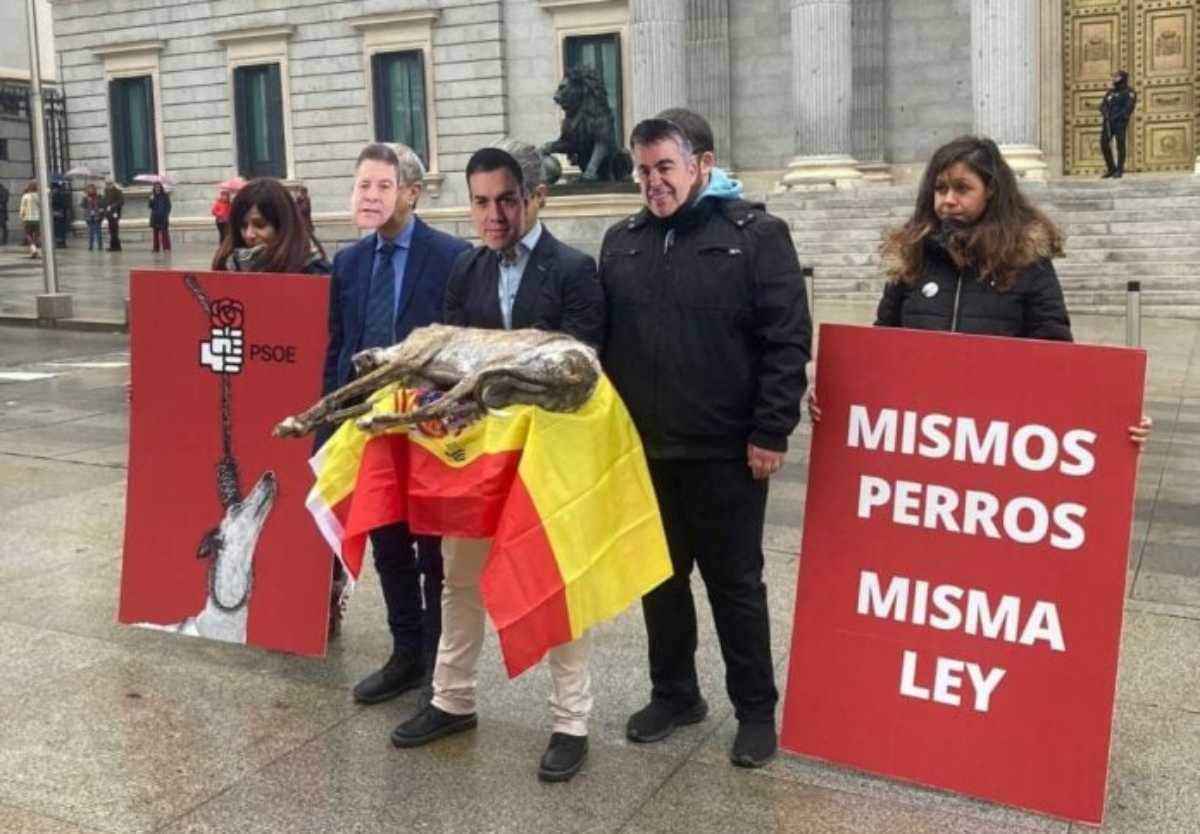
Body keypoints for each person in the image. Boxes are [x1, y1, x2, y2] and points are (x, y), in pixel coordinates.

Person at [599, 117, 811, 769]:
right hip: (648, 450)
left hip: (727, 452)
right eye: (642, 170)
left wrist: (770, 430)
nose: (652, 182)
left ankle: (754, 710)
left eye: (664, 166)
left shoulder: (756, 236)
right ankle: (675, 693)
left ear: (702, 163)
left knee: (735, 586)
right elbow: (605, 346)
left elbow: (787, 340)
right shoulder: (623, 241)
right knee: (660, 582)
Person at [391, 144, 604, 783]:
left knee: (557, 587)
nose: (492, 215)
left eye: (506, 200)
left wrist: (489, 377)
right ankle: (452, 700)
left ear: (535, 197)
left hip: (550, 459)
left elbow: (579, 367)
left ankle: (571, 722)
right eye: (481, 201)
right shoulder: (467, 271)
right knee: (459, 580)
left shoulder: (574, 270)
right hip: (478, 457)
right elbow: (451, 358)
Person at [807, 135, 1151, 445]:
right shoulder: (912, 257)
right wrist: (840, 399)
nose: (948, 200)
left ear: (990, 191)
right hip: (920, 431)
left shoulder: (1026, 261)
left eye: (962, 188)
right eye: (940, 189)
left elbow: (1055, 355)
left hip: (994, 434)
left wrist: (1113, 421)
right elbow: (881, 347)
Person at [322, 143, 470, 700]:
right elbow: (339, 345)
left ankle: (438, 659)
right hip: (369, 428)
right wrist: (331, 416)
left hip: (427, 427)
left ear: (411, 191)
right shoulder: (350, 262)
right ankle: (405, 651)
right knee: (387, 545)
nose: (372, 196)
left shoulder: (452, 256)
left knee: (433, 551)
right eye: (364, 186)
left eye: (384, 186)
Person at [211, 178, 329, 274]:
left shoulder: (314, 272)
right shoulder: (225, 265)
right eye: (243, 225)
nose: (249, 235)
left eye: (260, 225)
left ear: (283, 225)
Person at [1100, 70, 1136, 179]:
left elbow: (1129, 107)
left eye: (1117, 76)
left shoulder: (1129, 92)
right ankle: (1111, 168)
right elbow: (1103, 105)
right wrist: (1105, 113)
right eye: (1114, 76)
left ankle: (1119, 169)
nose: (1114, 78)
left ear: (1123, 77)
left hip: (1120, 123)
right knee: (1104, 144)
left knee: (1120, 146)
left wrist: (1118, 117)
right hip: (1108, 123)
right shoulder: (1110, 92)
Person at [19, 181, 41, 259]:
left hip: (28, 218)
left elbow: (22, 208)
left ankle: (33, 249)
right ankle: (34, 250)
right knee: (37, 235)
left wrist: (21, 216)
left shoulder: (25, 196)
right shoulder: (39, 196)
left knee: (28, 234)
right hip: (38, 218)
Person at [149, 182, 172, 253]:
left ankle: (166, 248)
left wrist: (166, 214)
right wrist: (151, 200)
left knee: (165, 234)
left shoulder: (165, 196)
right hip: (155, 217)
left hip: (163, 217)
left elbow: (169, 206)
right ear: (154, 188)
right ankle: (156, 248)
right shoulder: (152, 196)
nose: (157, 188)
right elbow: (150, 206)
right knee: (155, 234)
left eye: (158, 187)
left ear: (161, 188)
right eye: (156, 187)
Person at [103, 179, 124, 251]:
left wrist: (112, 206)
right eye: (107, 184)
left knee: (115, 230)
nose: (108, 185)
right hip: (109, 214)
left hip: (115, 213)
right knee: (111, 231)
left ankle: (117, 246)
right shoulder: (106, 191)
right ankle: (112, 246)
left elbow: (121, 202)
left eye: (109, 184)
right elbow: (105, 202)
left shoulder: (117, 191)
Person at [81, 184, 104, 251]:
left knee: (98, 232)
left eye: (92, 189)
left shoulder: (98, 196)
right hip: (89, 217)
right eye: (89, 189)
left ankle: (100, 246)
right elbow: (83, 205)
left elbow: (102, 204)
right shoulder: (86, 197)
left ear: (94, 189)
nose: (90, 190)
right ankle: (91, 246)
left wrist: (100, 209)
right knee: (90, 232)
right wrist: (85, 199)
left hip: (97, 216)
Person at [51, 181, 69, 248]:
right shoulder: (61, 194)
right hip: (59, 214)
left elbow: (64, 204)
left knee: (59, 229)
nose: (53, 190)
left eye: (54, 189)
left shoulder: (59, 195)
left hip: (59, 214)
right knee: (59, 229)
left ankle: (61, 242)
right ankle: (60, 242)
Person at [0, 181, 9, 246]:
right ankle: (4, 240)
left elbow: (4, 200)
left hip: (2, 211)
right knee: (4, 226)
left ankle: (4, 240)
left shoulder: (4, 191)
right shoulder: (5, 191)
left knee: (3, 226)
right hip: (3, 211)